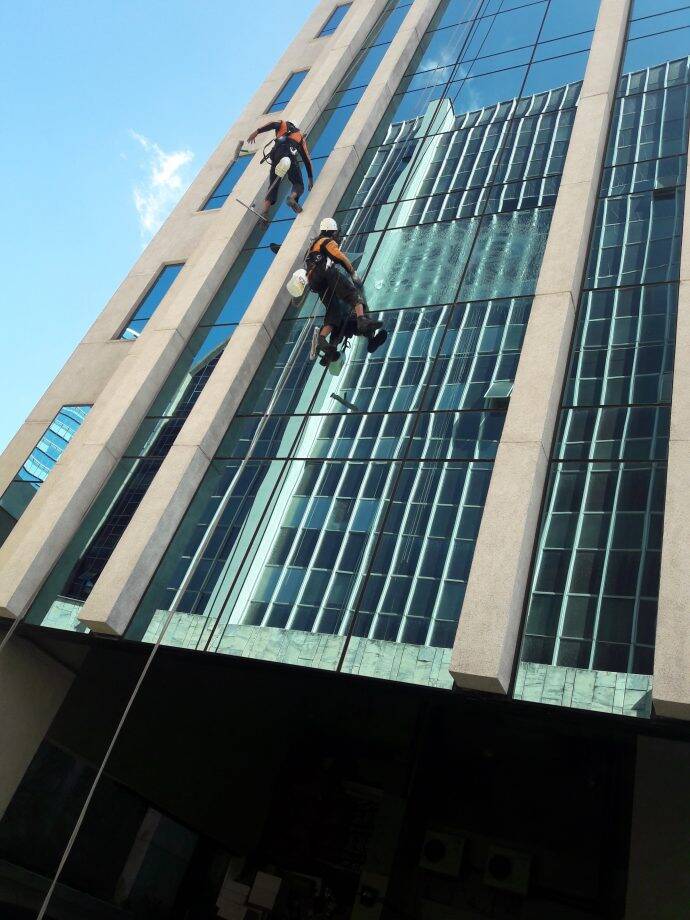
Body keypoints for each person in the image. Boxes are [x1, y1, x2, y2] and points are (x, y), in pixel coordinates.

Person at [305, 218, 385, 365]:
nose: (337, 236)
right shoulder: (326, 241)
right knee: (353, 295)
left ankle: (323, 342)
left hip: (317, 283)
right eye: (336, 233)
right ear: (332, 231)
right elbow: (339, 256)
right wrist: (352, 272)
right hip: (326, 271)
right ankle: (362, 321)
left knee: (333, 312)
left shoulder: (312, 248)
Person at [247, 119, 314, 220]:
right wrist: (310, 178)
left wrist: (257, 131)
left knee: (273, 185)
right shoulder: (300, 138)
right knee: (298, 183)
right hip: (290, 158)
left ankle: (265, 212)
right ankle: (292, 198)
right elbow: (306, 160)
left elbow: (272, 124)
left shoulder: (283, 125)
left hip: (277, 156)